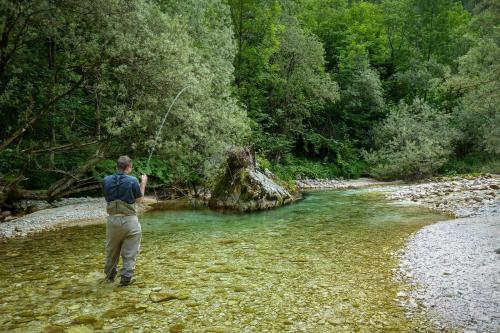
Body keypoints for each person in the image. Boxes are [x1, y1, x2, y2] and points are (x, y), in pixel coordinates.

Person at [102, 155, 147, 286]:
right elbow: (140, 200)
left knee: (111, 251)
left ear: (117, 166)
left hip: (112, 222)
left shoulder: (106, 180)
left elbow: (108, 198)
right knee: (130, 253)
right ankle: (125, 280)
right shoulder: (132, 180)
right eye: (131, 167)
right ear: (128, 167)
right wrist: (143, 184)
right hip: (129, 221)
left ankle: (109, 277)